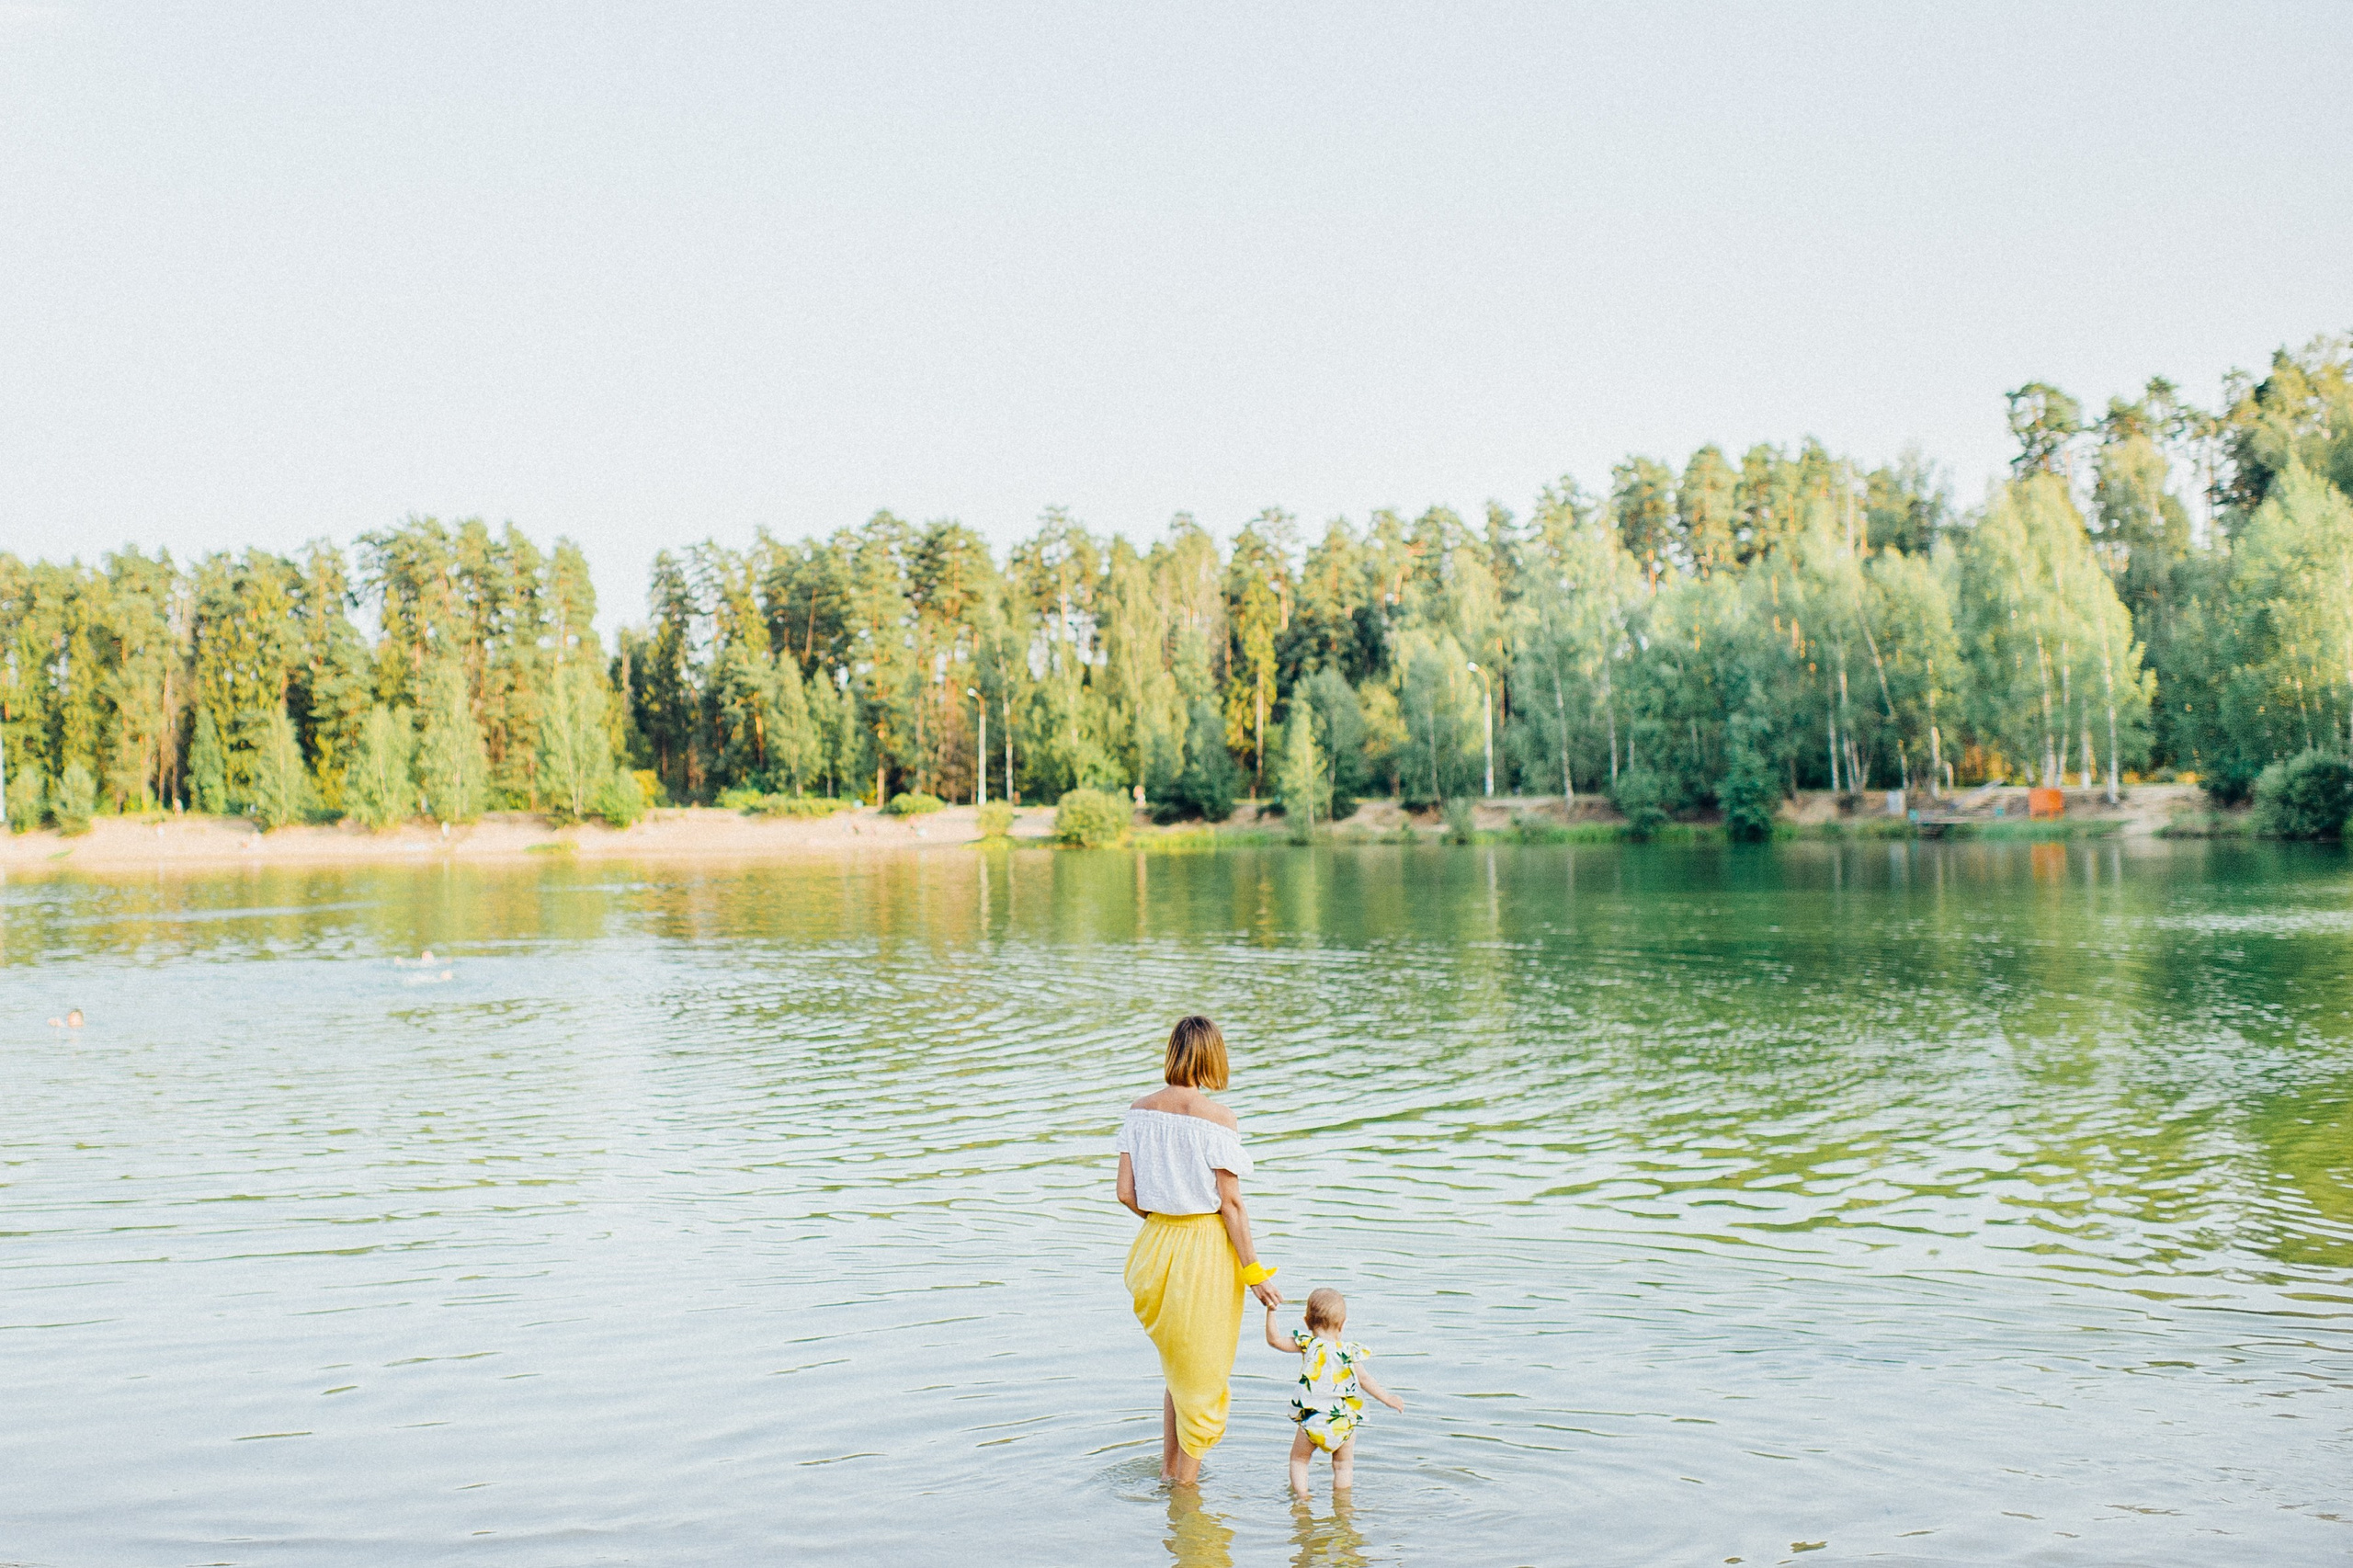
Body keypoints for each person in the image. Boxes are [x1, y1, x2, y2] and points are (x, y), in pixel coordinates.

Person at [1116, 1015, 1282, 1485]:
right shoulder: (1219, 1120)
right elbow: (1231, 1205)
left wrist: (1166, 1222)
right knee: (1204, 1381)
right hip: (1204, 1251)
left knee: (1178, 1370)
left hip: (1154, 1248)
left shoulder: (1139, 1110)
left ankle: (1170, 1474)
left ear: (1172, 1052)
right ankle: (1185, 1499)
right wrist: (1254, 1274)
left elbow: (1125, 1193)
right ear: (1213, 1056)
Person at [1265, 1288, 1403, 1498]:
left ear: (1306, 1321)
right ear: (1344, 1323)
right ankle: (1343, 1504)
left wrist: (1271, 1311)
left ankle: (1302, 1498)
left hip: (1313, 1419)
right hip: (1343, 1421)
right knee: (1343, 1466)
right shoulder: (1348, 1351)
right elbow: (1365, 1380)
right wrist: (1388, 1398)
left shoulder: (1307, 1344)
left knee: (1299, 1460)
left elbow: (1274, 1340)